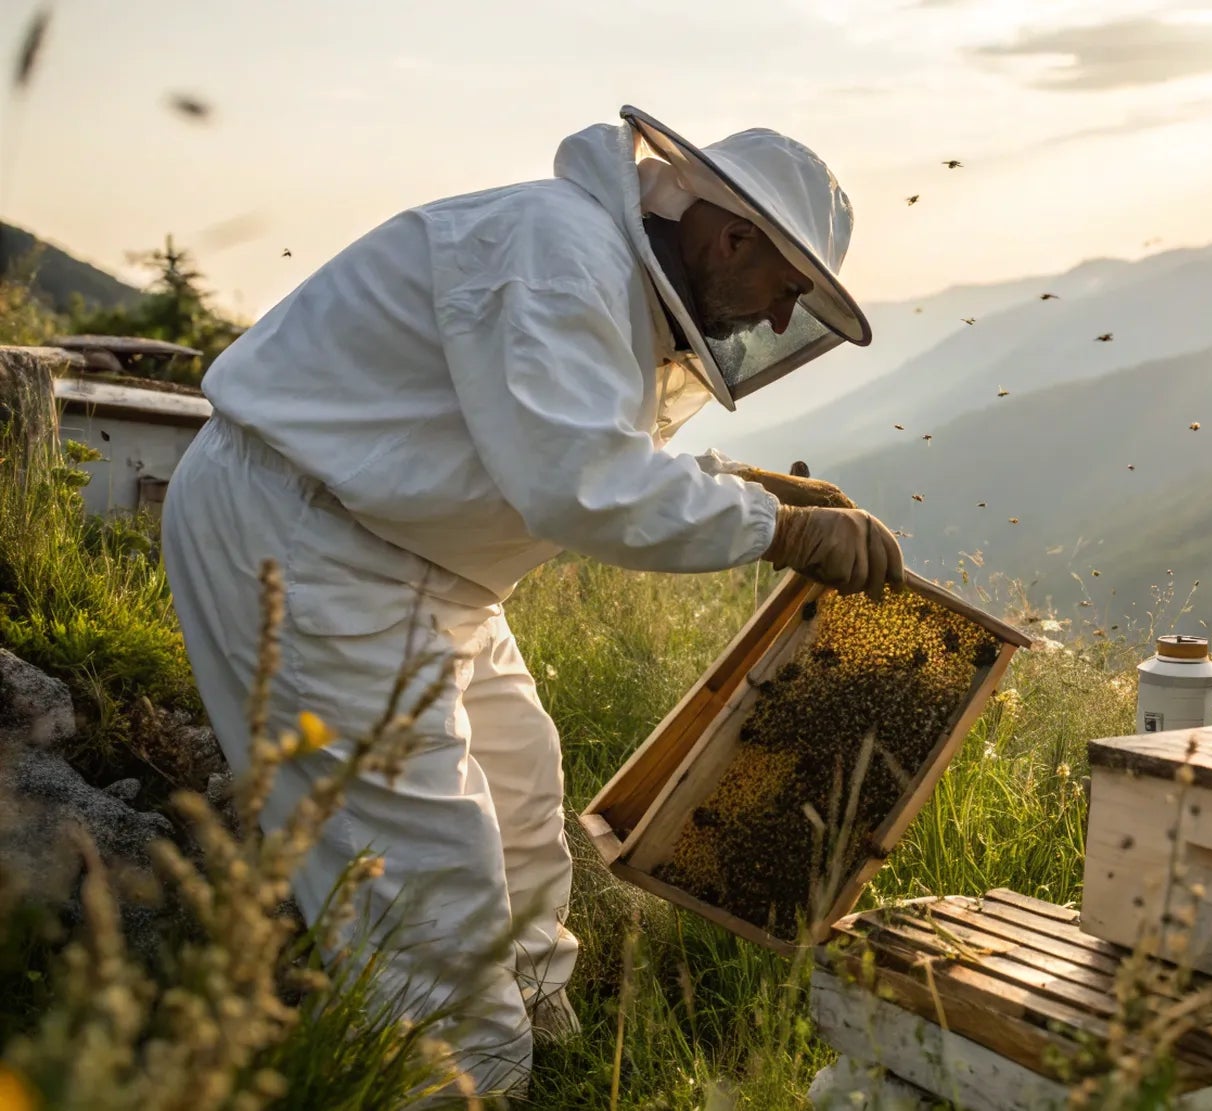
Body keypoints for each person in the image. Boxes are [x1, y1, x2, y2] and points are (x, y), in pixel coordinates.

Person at [160, 105, 904, 1094]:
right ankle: (456, 1077)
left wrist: (761, 486)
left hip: (422, 560)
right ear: (729, 236)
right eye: (785, 293)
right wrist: (778, 528)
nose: (777, 323)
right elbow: (577, 481)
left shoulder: (596, 265)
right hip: (307, 542)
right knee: (428, 886)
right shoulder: (556, 251)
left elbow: (572, 434)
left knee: (520, 797)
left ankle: (543, 1054)